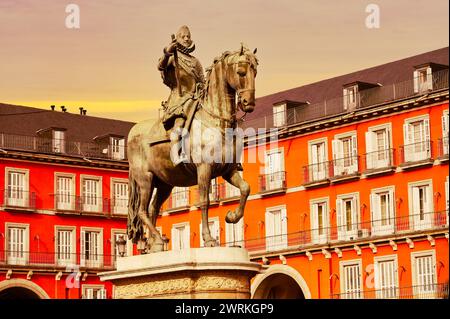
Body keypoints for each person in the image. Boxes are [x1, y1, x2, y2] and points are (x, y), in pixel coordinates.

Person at [157, 25, 205, 165]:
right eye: (183, 36)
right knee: (180, 121)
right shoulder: (173, 57)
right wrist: (167, 53)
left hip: (195, 98)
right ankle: (177, 150)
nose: (186, 38)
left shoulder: (195, 62)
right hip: (179, 99)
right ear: (177, 38)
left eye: (188, 36)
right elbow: (160, 66)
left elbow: (202, 80)